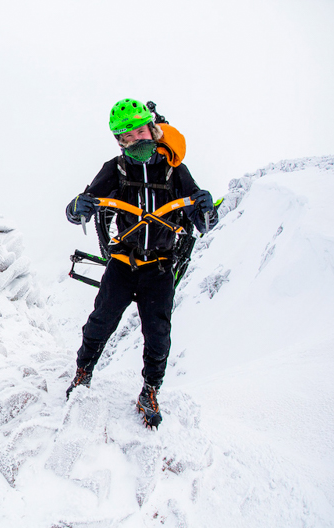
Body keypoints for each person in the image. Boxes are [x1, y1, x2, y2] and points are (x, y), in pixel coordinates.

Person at [65, 98, 217, 428]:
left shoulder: (175, 170)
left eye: (139, 131)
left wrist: (205, 210)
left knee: (158, 334)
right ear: (119, 141)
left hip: (160, 266)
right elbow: (84, 203)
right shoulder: (115, 169)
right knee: (101, 321)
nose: (135, 140)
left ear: (152, 128)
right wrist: (77, 208)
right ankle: (83, 372)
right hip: (123, 263)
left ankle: (149, 390)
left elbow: (202, 221)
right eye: (127, 137)